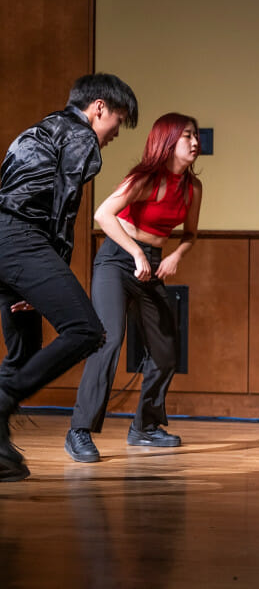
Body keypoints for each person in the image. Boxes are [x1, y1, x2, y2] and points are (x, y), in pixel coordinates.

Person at [0, 72, 138, 481]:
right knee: (87, 331)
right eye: (118, 121)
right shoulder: (81, 138)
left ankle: (0, 453)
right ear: (98, 108)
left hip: (6, 242)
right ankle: (4, 397)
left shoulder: (37, 130)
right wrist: (51, 268)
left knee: (24, 350)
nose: (115, 133)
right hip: (23, 240)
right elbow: (64, 206)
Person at [65, 113, 203, 462]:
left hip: (152, 263)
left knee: (167, 348)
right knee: (108, 340)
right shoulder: (145, 178)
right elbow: (103, 215)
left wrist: (174, 257)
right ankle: (79, 431)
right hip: (116, 258)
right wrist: (137, 252)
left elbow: (190, 234)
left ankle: (144, 427)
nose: (195, 142)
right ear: (168, 140)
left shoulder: (192, 187)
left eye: (196, 136)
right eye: (187, 135)